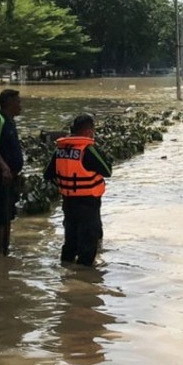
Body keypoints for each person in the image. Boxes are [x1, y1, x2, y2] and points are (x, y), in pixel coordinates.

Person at [43, 113, 113, 266]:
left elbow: (48, 174)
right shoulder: (88, 149)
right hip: (88, 203)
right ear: (88, 131)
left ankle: (65, 275)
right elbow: (108, 170)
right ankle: (85, 282)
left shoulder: (60, 149)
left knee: (70, 243)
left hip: (68, 202)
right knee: (88, 246)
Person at [0, 89, 24, 256]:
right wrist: (5, 169)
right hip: (0, 176)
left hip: (11, 176)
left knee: (8, 213)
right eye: (18, 102)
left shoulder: (11, 121)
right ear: (9, 103)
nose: (20, 105)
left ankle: (5, 251)